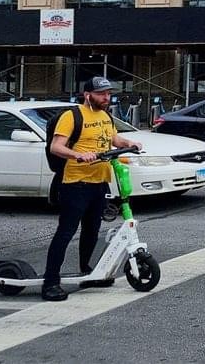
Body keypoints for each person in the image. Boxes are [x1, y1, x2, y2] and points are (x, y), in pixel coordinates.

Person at [42, 76, 142, 302]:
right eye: (101, 94)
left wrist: (129, 144)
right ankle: (50, 282)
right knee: (65, 233)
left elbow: (113, 139)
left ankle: (89, 272)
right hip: (75, 183)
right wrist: (78, 155)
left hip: (100, 181)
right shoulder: (72, 116)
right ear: (88, 95)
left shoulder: (105, 116)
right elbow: (56, 146)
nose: (106, 97)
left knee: (91, 230)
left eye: (108, 93)